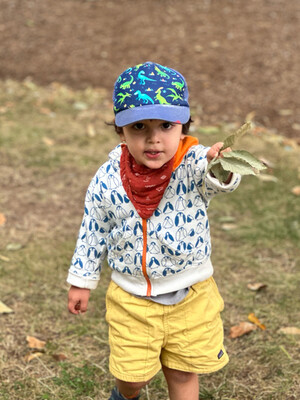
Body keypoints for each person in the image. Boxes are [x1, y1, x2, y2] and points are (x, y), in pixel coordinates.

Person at [67, 61, 241, 400]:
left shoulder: (192, 164)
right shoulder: (107, 179)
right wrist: (81, 281)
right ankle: (123, 394)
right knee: (132, 378)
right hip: (132, 299)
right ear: (121, 131)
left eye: (165, 125)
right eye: (138, 127)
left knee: (181, 371)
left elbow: (216, 183)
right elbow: (93, 230)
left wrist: (219, 166)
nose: (154, 139)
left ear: (182, 126)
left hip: (190, 294)